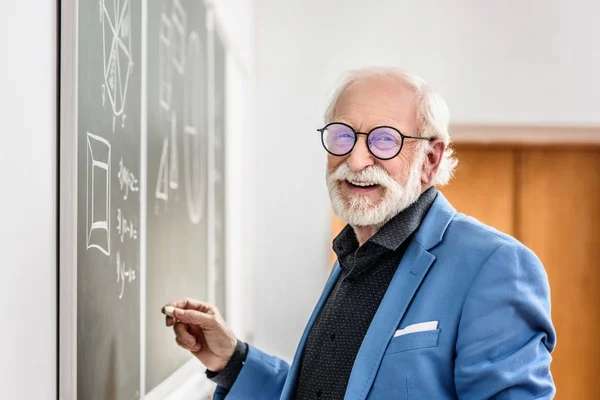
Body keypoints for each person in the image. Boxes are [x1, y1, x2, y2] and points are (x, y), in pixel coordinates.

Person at [162, 67, 556, 399]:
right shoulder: (352, 255)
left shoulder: (495, 265)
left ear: (430, 160)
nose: (356, 158)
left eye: (385, 140)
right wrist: (232, 360)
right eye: (342, 136)